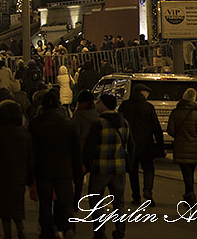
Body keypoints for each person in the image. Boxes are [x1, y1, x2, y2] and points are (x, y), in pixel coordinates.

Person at [29, 91, 77, 239]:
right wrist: (76, 171)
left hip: (43, 169)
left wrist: (30, 174)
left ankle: (47, 230)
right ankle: (68, 226)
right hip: (64, 169)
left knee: (45, 203)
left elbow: (31, 150)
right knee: (65, 202)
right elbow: (75, 149)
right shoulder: (67, 123)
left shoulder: (36, 123)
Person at [83, 94, 130, 239]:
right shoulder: (124, 123)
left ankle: (99, 232)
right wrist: (128, 165)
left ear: (104, 105)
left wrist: (86, 164)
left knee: (96, 201)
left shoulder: (98, 124)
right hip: (119, 169)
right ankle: (120, 231)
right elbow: (131, 146)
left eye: (99, 102)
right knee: (119, 203)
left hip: (100, 168)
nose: (96, 104)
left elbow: (89, 147)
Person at [0, 101, 32, 239]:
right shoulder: (24, 134)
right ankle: (21, 229)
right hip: (19, 175)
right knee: (17, 206)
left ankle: (8, 235)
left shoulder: (0, 133)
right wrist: (29, 177)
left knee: (4, 211)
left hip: (1, 176)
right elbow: (30, 158)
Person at [117, 84, 164, 206]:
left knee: (133, 172)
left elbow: (119, 124)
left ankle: (136, 196)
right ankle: (147, 190)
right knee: (148, 168)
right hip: (146, 144)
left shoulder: (125, 106)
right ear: (142, 93)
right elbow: (156, 127)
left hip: (129, 145)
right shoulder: (148, 107)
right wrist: (160, 145)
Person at [167, 88, 197, 204]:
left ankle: (189, 194)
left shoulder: (176, 112)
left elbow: (170, 130)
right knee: (190, 172)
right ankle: (189, 193)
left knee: (186, 173)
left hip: (181, 146)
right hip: (195, 146)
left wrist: (179, 136)